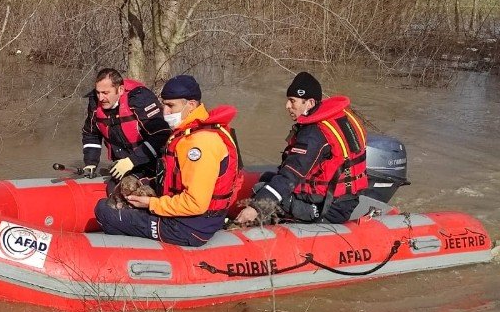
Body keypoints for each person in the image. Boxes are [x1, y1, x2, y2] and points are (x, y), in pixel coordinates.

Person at [94, 74, 243, 247]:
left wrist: (152, 204)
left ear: (191, 105)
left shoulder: (200, 143)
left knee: (104, 211)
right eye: (163, 104)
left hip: (189, 227)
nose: (165, 112)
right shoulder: (190, 133)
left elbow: (196, 204)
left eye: (171, 105)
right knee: (122, 195)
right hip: (189, 218)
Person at [233, 71, 367, 226]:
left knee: (260, 189)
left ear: (309, 103)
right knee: (267, 179)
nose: (287, 106)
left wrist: (255, 208)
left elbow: (290, 176)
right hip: (345, 199)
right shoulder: (340, 118)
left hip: (327, 208)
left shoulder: (313, 134)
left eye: (292, 101)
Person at [81, 67, 170, 181]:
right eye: (98, 93)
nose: (101, 98)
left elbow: (161, 135)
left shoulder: (139, 99)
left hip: (151, 163)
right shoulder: (95, 102)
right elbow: (91, 134)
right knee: (113, 190)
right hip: (122, 165)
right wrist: (90, 162)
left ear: (121, 90)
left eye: (105, 93)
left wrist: (132, 160)